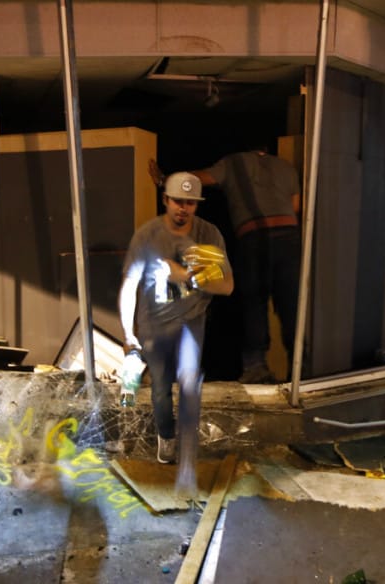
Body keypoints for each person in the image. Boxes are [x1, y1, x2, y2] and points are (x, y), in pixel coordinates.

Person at [150, 145, 301, 383]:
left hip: (254, 235)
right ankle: (300, 367)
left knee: (254, 301)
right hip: (289, 237)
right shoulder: (286, 167)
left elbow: (197, 179)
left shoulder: (233, 162)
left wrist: (164, 180)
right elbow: (295, 206)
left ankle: (256, 367)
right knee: (291, 302)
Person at [119, 172, 234, 483]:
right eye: (178, 201)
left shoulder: (208, 234)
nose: (184, 208)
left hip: (190, 321)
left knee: (188, 382)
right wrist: (129, 334)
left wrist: (188, 277)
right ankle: (166, 437)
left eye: (190, 202)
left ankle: (186, 445)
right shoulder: (147, 236)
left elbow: (227, 286)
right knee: (160, 388)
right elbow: (129, 285)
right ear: (165, 200)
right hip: (153, 322)